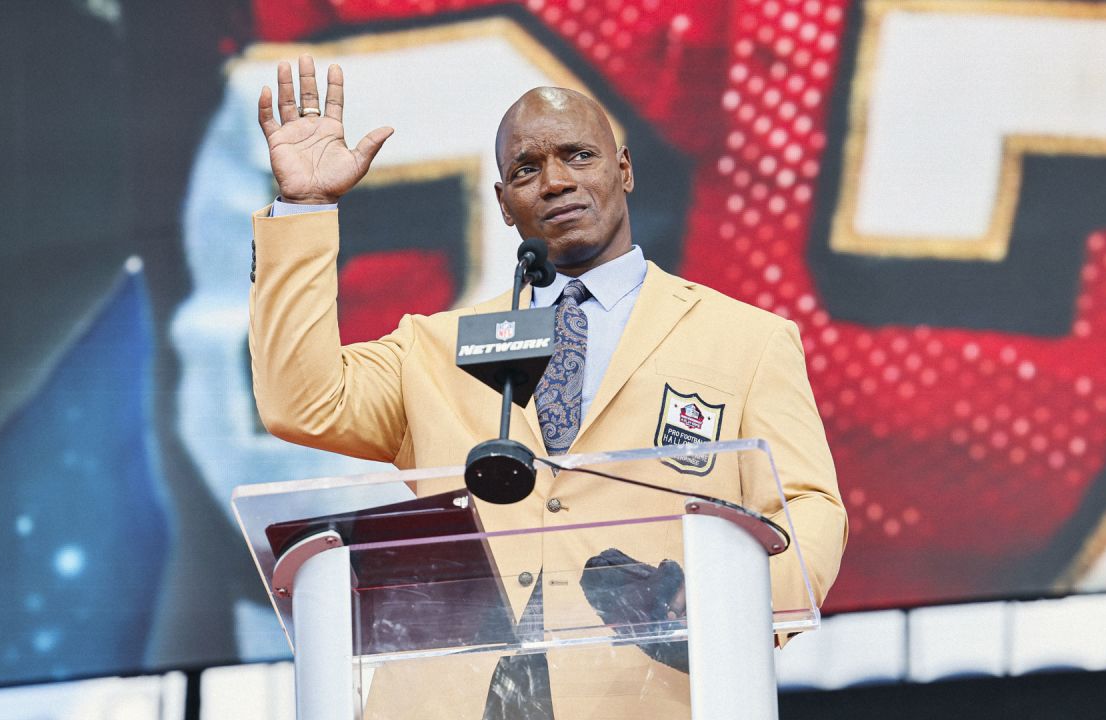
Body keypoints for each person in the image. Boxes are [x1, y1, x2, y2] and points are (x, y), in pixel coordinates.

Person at [250, 55, 847, 719]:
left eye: (578, 155)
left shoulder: (746, 340)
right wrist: (304, 209)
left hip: (647, 694)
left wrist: (733, 609)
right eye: (526, 169)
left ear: (623, 169)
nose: (555, 181)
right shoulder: (433, 346)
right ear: (504, 205)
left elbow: (809, 505)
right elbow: (301, 400)